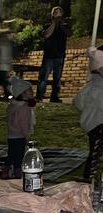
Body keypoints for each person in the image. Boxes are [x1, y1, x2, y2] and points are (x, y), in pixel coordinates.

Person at [74, 47, 103, 180]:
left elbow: (78, 102)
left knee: (94, 153)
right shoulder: (99, 88)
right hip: (99, 125)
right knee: (97, 156)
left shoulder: (91, 85)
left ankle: (89, 177)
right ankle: (90, 179)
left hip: (91, 125)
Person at [2, 77, 36, 179]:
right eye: (30, 91)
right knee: (19, 156)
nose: (32, 93)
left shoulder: (13, 105)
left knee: (11, 154)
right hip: (19, 135)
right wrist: (27, 135)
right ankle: (17, 174)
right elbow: (24, 123)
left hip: (11, 134)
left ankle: (6, 170)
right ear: (23, 93)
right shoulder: (24, 108)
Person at [36, 6, 71, 103]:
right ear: (52, 15)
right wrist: (54, 23)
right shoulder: (47, 25)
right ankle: (39, 96)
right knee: (43, 78)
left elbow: (68, 33)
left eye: (59, 12)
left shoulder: (65, 26)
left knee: (57, 78)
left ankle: (54, 97)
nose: (57, 14)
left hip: (59, 55)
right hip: (48, 56)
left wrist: (60, 24)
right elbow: (46, 35)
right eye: (55, 12)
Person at [0, 31, 12, 100]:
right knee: (1, 81)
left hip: (1, 66)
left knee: (2, 81)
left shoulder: (1, 45)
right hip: (4, 66)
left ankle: (5, 94)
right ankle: (5, 94)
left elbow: (0, 56)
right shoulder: (7, 45)